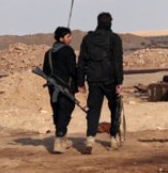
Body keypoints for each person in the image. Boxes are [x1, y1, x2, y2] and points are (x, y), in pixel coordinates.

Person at [76, 11, 123, 153]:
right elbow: (117, 61)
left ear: (97, 22)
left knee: (93, 110)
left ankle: (90, 139)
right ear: (110, 22)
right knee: (115, 108)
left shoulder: (87, 39)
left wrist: (80, 82)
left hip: (93, 79)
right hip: (110, 79)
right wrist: (119, 82)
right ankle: (114, 139)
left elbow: (82, 61)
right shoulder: (115, 39)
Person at [42, 26, 78, 154]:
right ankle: (59, 140)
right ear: (61, 38)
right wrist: (79, 83)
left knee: (57, 112)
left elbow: (46, 71)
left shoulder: (49, 53)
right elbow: (73, 70)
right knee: (65, 111)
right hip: (66, 88)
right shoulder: (68, 51)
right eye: (68, 36)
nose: (71, 38)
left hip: (53, 88)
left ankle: (63, 138)